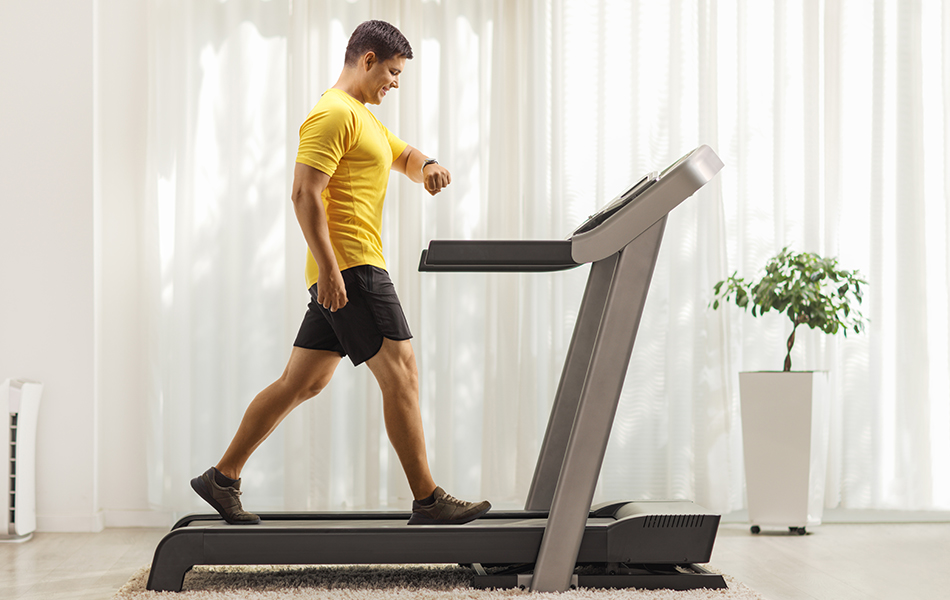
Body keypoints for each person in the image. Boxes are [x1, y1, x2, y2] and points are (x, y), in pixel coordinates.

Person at [190, 20, 491, 526]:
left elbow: (404, 155)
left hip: (347, 268)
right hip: (352, 268)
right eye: (393, 72)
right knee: (403, 375)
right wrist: (330, 270)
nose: (395, 83)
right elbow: (303, 193)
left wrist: (430, 164)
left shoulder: (363, 116)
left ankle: (221, 479)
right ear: (368, 59)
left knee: (300, 383)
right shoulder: (331, 114)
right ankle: (428, 500)